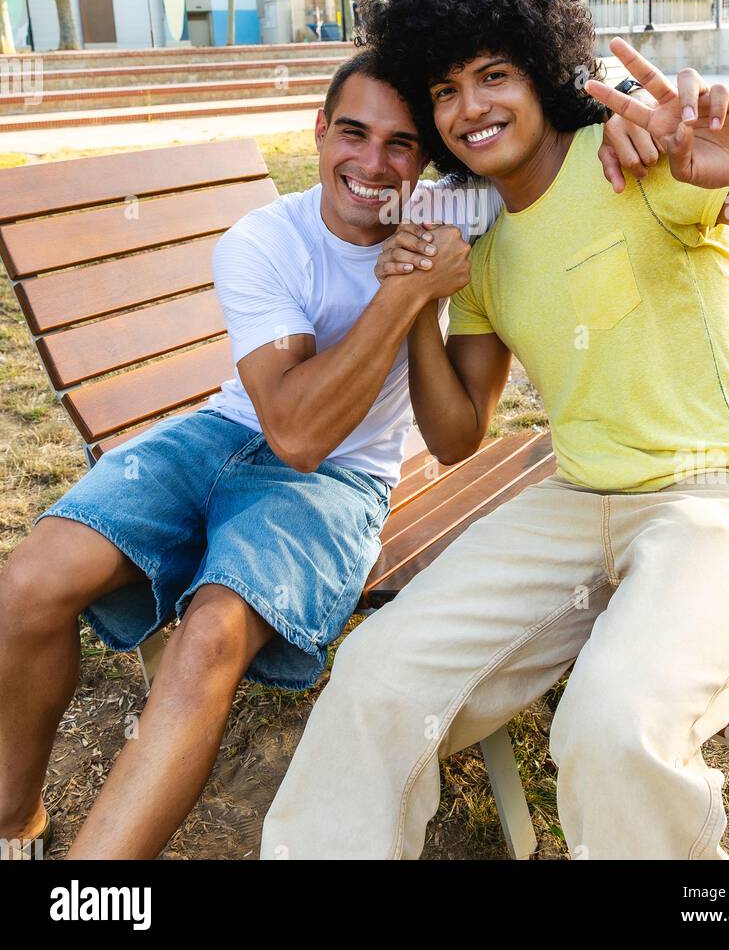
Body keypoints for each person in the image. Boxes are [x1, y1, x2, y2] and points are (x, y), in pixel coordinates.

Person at [261, 0, 729, 861]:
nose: (470, 109)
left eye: (493, 75)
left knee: (614, 727)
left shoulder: (635, 161)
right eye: (445, 91)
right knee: (375, 670)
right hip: (578, 499)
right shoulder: (487, 243)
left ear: (542, 72)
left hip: (719, 498)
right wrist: (421, 301)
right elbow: (459, 434)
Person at [0, 45, 647, 861]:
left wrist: (623, 113)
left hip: (344, 481)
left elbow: (565, 114)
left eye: (401, 145)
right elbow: (292, 430)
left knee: (211, 635)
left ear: (430, 159)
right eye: (353, 134)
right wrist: (406, 288)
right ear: (318, 133)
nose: (372, 164)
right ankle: (13, 821)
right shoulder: (262, 240)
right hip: (224, 432)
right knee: (26, 582)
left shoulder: (463, 212)